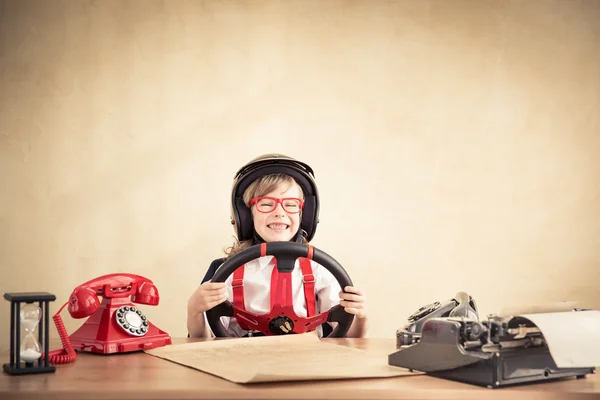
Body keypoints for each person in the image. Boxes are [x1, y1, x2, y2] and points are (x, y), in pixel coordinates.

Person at [187, 153, 367, 338]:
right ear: (245, 216)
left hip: (309, 362)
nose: (279, 213)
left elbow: (348, 338)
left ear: (304, 216)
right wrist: (194, 311)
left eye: (290, 204)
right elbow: (204, 342)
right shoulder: (224, 271)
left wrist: (360, 317)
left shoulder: (319, 269)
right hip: (241, 362)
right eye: (266, 204)